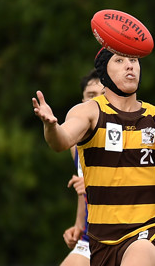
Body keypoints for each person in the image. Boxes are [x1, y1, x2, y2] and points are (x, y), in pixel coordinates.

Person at [33, 48, 155, 266]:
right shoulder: (89, 112)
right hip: (100, 239)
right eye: (120, 60)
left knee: (138, 257)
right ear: (104, 73)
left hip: (147, 231)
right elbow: (61, 141)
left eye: (133, 60)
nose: (130, 65)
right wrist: (50, 127)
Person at [60, 69, 104, 266]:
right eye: (90, 95)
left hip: (124, 232)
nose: (95, 101)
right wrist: (79, 226)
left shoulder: (124, 133)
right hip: (90, 236)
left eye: (103, 95)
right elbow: (82, 187)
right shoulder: (75, 145)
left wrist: (91, 182)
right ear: (81, 101)